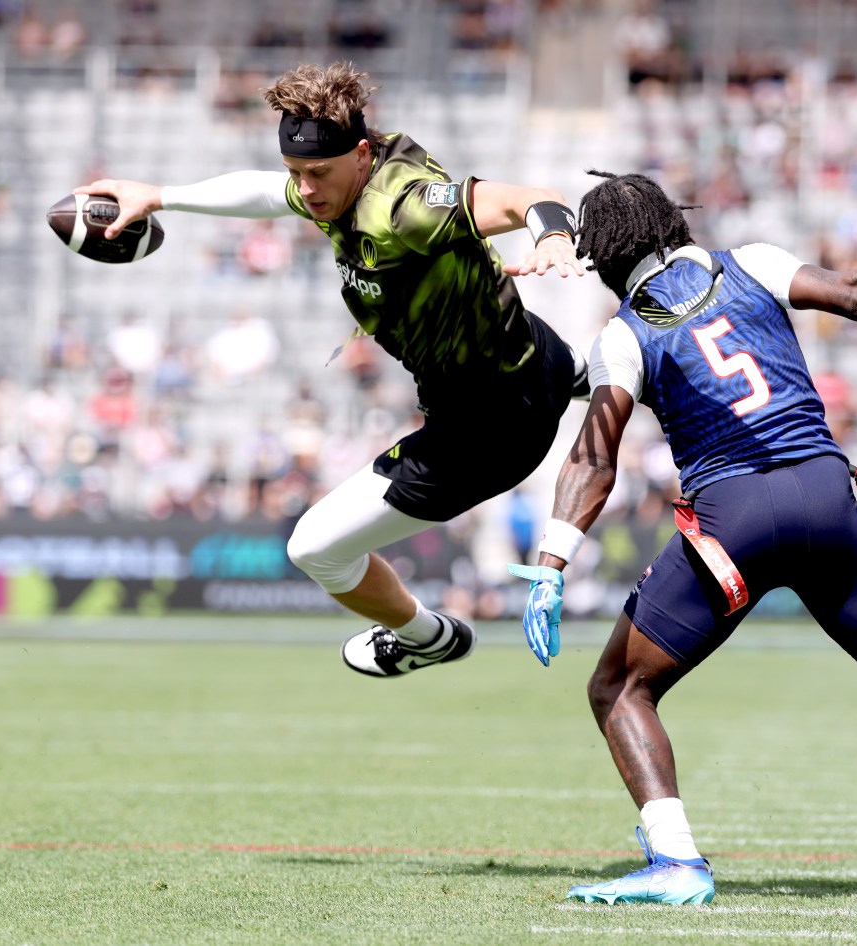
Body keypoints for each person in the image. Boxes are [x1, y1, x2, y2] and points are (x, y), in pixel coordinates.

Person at [509, 171, 857, 907]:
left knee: (619, 687)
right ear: (674, 222)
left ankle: (676, 861)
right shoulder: (752, 262)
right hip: (825, 497)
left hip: (732, 524)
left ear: (604, 253)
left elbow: (593, 457)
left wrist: (551, 564)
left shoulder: (623, 336)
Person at [76, 61, 588, 677]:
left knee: (313, 548)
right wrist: (160, 196)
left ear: (363, 155)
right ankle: (600, 374)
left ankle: (429, 637)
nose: (307, 189)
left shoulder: (404, 209)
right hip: (538, 353)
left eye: (317, 174)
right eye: (300, 173)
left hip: (487, 432)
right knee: (604, 367)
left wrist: (553, 234)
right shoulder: (338, 179)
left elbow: (529, 200)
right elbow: (269, 191)